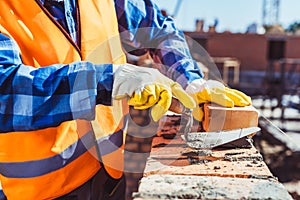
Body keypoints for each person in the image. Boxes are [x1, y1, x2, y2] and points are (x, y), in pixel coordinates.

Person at [0, 0, 251, 199]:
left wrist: (191, 80)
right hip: (40, 191)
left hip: (110, 174)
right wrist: (111, 80)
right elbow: (6, 90)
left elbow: (159, 29)